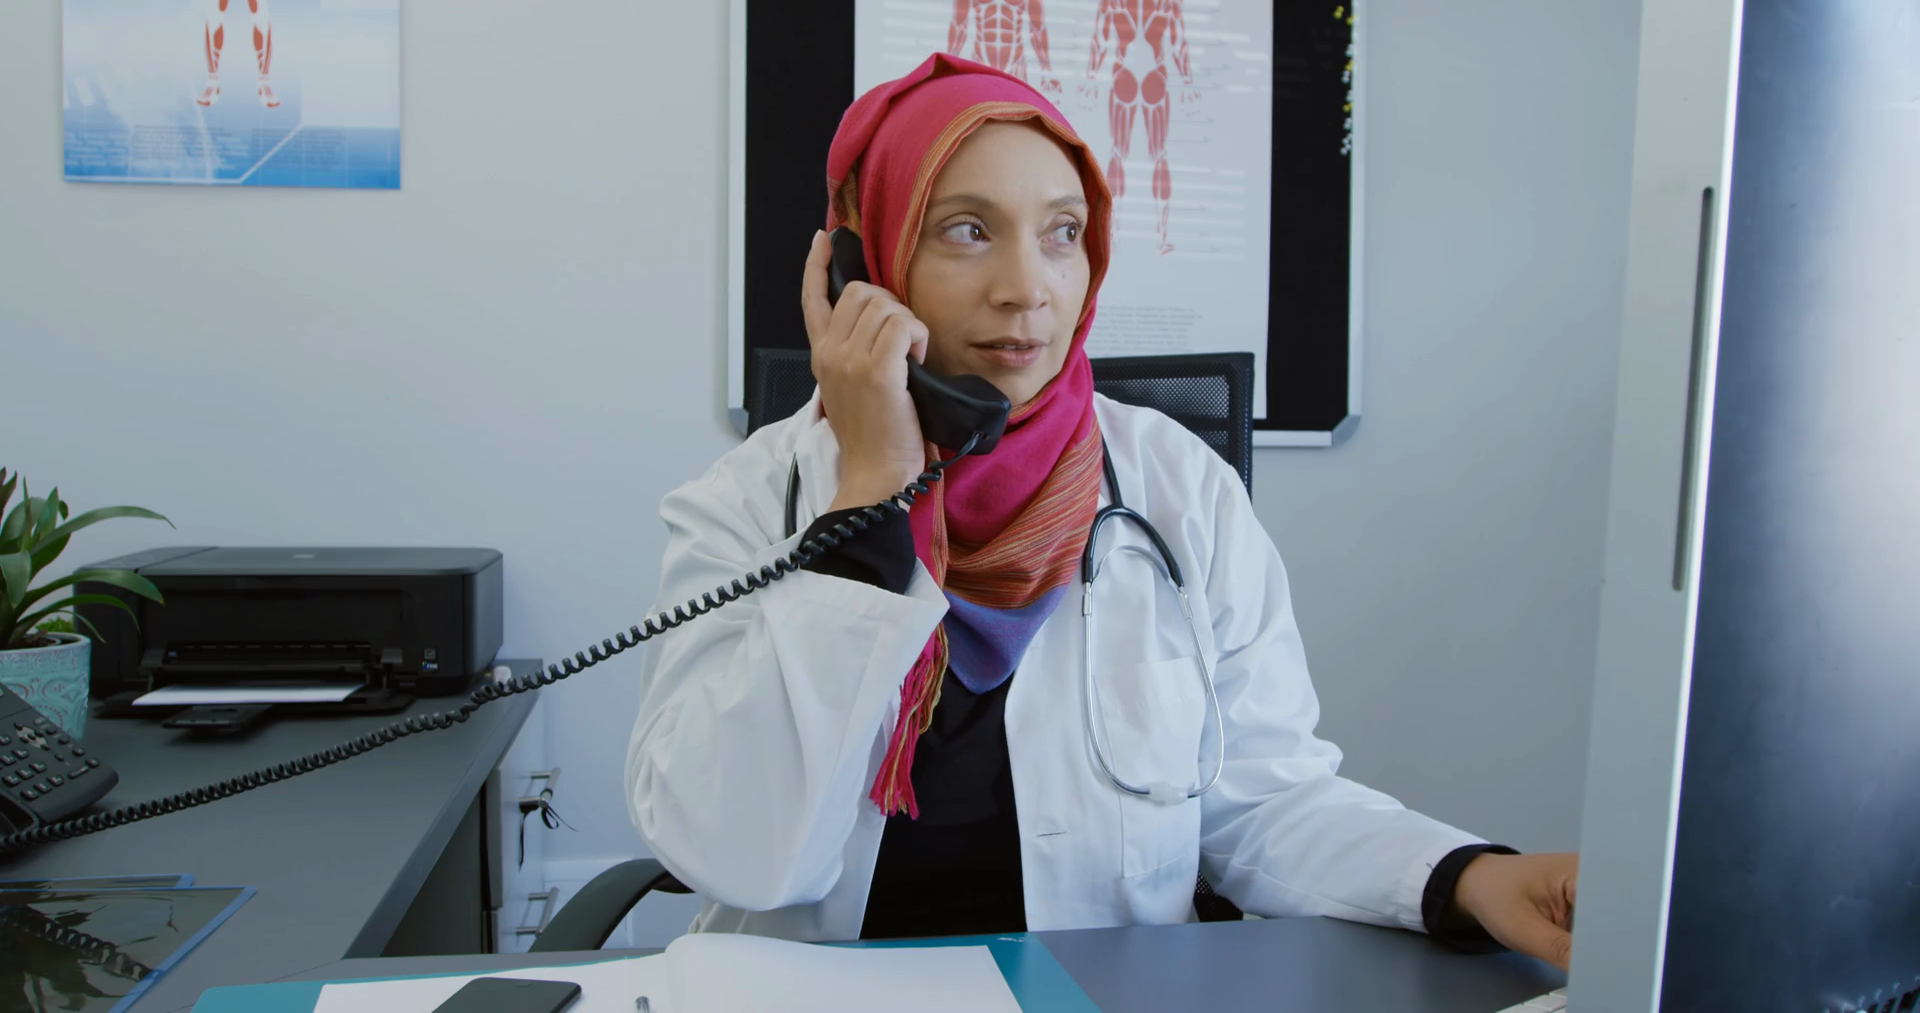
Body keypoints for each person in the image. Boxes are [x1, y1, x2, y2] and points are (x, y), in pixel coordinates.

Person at [625, 54, 1577, 970]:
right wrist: (869, 497)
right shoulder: (746, 505)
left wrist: (1469, 878)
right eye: (967, 229)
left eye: (1062, 232)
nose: (1026, 288)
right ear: (864, 267)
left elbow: (1264, 800)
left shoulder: (1181, 488)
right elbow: (742, 856)